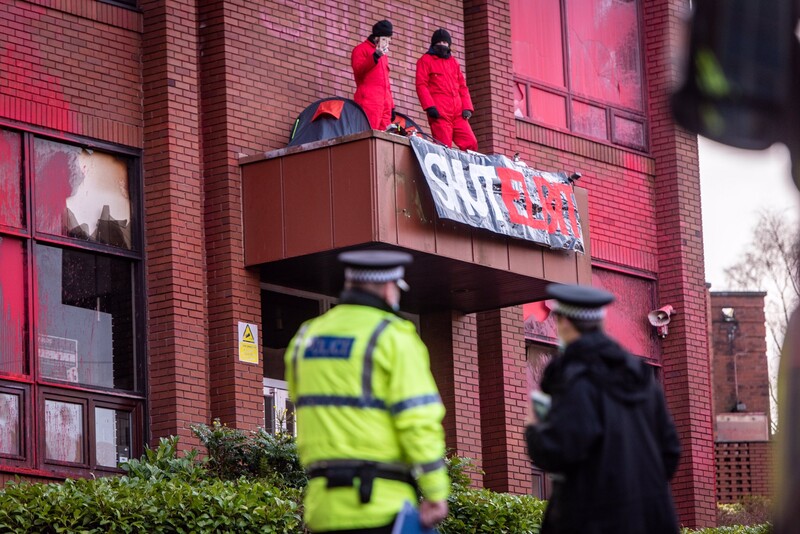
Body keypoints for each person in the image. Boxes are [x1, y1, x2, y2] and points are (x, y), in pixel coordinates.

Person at [285, 250, 450, 533]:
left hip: (322, 509)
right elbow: (418, 422)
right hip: (383, 508)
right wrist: (436, 492)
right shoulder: (394, 337)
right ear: (389, 288)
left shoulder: (305, 338)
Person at [525, 284, 681, 534]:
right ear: (599, 323)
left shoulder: (575, 378)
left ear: (564, 323)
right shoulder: (640, 376)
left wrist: (535, 427)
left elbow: (561, 450)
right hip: (651, 520)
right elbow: (670, 452)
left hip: (592, 520)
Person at [415, 28, 478, 151]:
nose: (443, 45)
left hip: (458, 113)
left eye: (445, 43)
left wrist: (467, 107)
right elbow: (421, 85)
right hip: (440, 113)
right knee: (443, 146)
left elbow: (462, 86)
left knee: (471, 142)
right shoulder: (425, 61)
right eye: (440, 43)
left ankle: (468, 169)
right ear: (434, 44)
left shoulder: (454, 62)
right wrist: (429, 106)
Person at [352, 20, 395, 131]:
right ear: (377, 37)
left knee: (385, 138)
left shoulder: (383, 55)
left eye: (388, 39)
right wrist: (374, 56)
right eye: (384, 38)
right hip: (369, 102)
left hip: (385, 104)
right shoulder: (361, 50)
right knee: (368, 134)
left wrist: (391, 106)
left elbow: (386, 83)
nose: (386, 42)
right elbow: (358, 71)